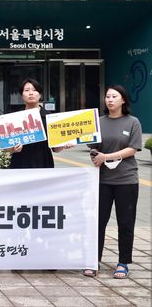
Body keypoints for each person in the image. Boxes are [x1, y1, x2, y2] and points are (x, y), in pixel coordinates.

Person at [83, 85, 142, 279]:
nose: (110, 99)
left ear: (123, 100)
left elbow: (132, 149)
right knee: (98, 221)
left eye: (114, 96)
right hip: (102, 181)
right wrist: (95, 156)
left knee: (126, 222)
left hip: (126, 180)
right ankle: (94, 261)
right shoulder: (98, 122)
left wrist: (106, 157)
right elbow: (93, 148)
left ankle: (123, 263)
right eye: (107, 96)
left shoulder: (133, 122)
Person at [6, 78, 67, 168]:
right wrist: (12, 149)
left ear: (40, 95)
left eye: (34, 90)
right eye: (27, 90)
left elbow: (56, 149)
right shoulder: (15, 118)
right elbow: (7, 147)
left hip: (43, 163)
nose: (31, 93)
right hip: (20, 163)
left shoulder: (50, 118)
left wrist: (64, 143)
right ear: (22, 95)